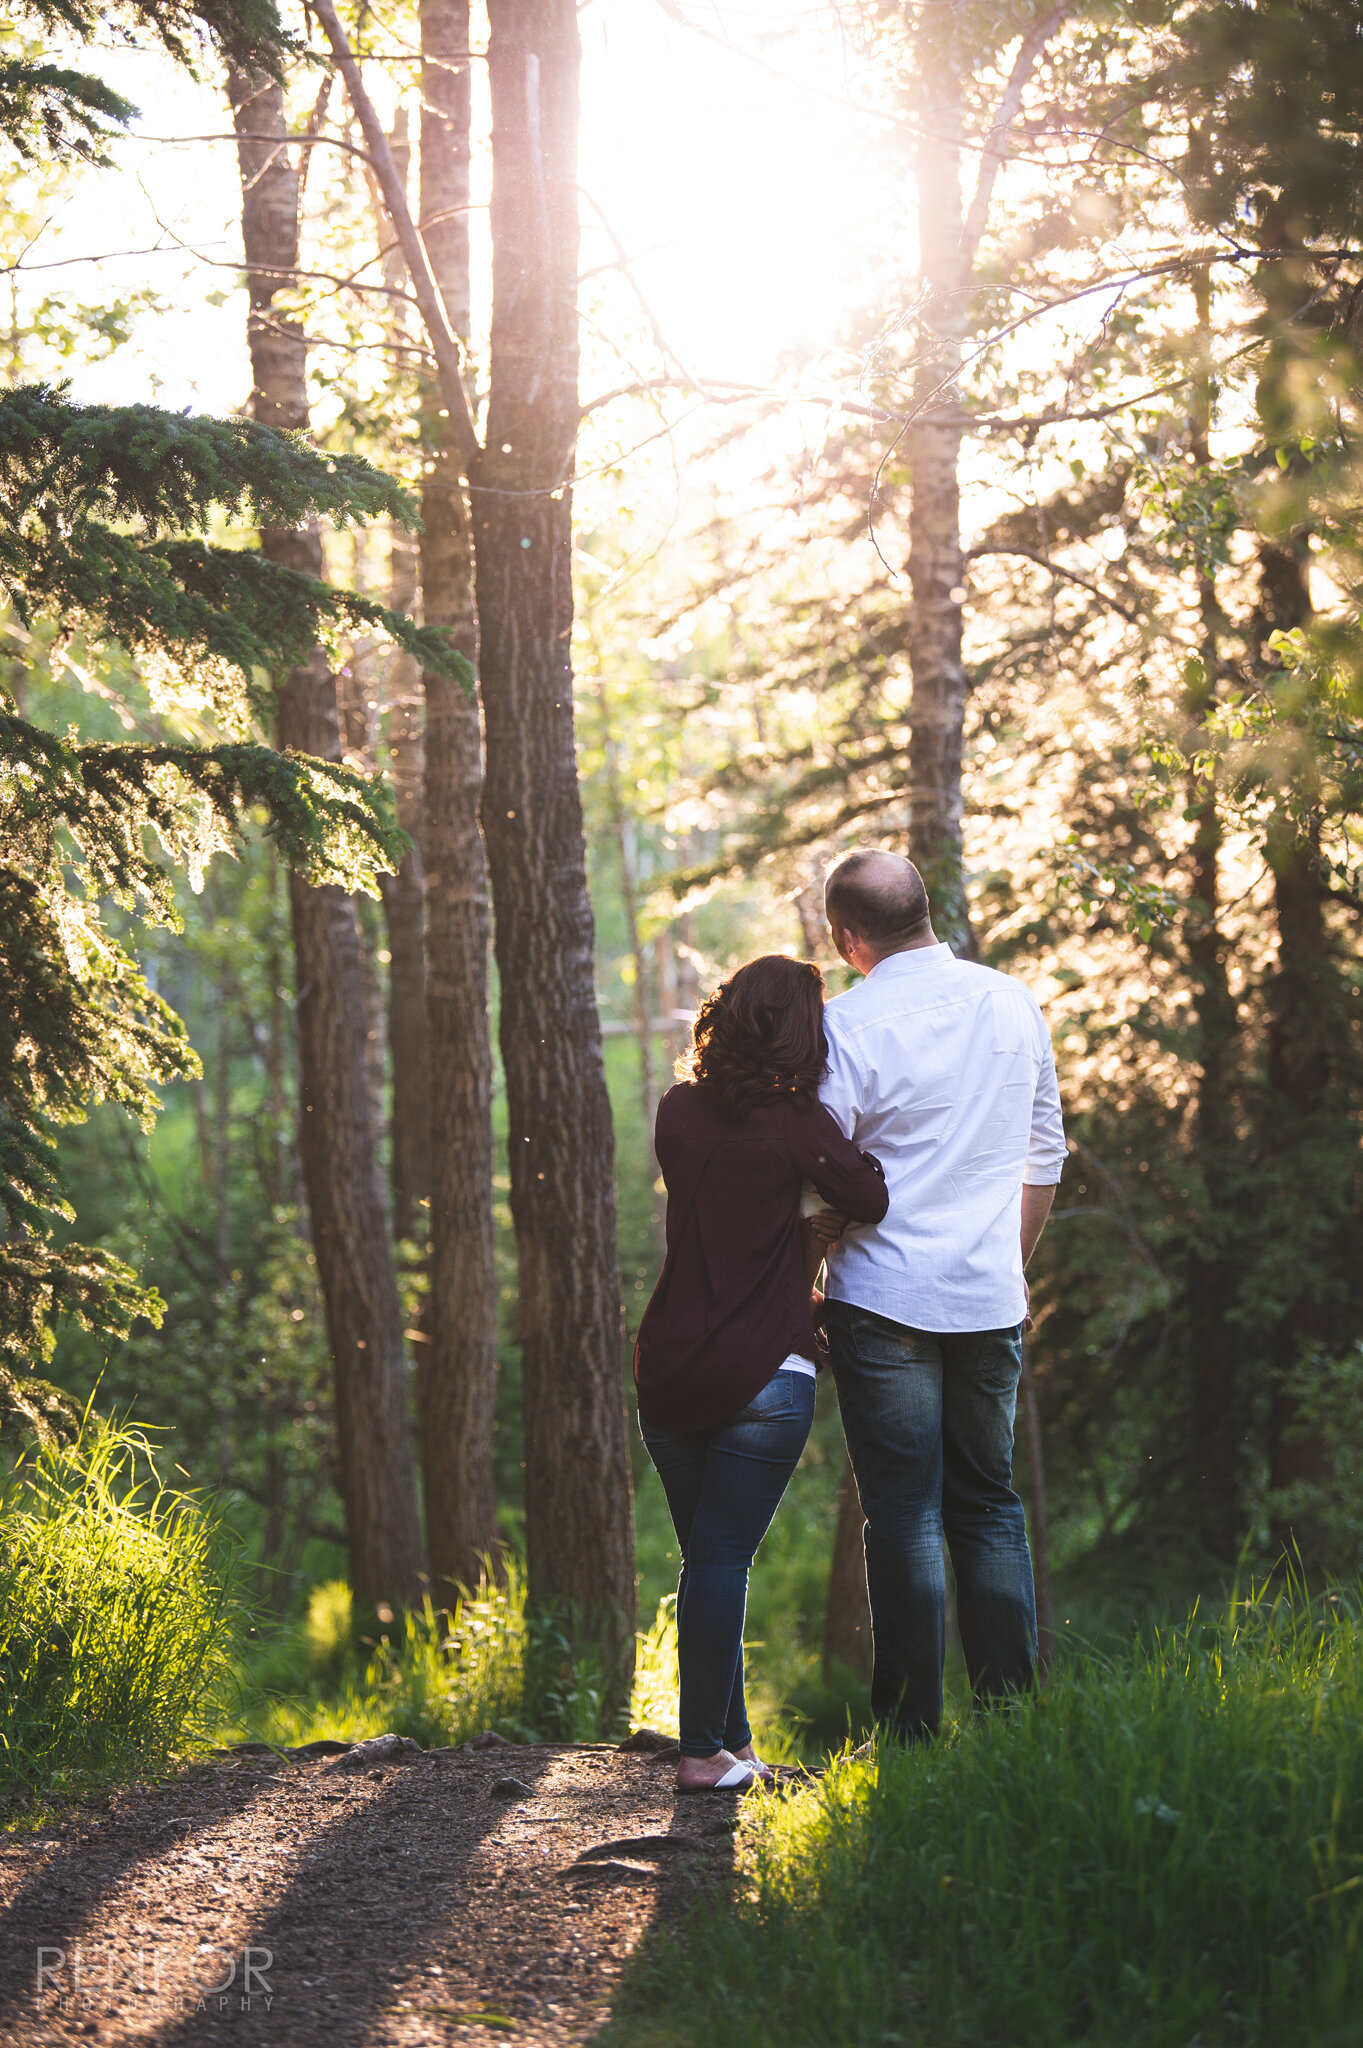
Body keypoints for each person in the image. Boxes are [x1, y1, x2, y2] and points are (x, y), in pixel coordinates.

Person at [814, 849, 1066, 1743]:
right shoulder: (1011, 1001)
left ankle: (911, 1736)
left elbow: (822, 1176)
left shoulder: (842, 1026)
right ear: (926, 911)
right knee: (988, 1503)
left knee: (904, 1512)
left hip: (881, 1296)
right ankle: (1011, 1726)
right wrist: (1012, 1262)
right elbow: (1045, 1150)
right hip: (987, 1294)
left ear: (848, 939)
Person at [634, 954, 889, 1791]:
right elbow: (869, 1196)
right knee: (719, 1562)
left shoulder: (677, 1111)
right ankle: (703, 1753)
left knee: (707, 1557)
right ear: (802, 1034)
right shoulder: (798, 1124)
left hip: (670, 1369)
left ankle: (732, 1743)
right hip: (763, 1373)